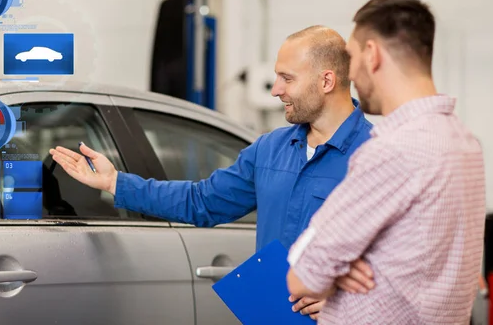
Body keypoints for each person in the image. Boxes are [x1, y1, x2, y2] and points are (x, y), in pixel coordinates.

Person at [50, 25, 373, 320]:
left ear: (326, 81)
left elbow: (409, 257)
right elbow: (201, 201)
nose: (276, 90)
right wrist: (115, 182)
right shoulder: (270, 149)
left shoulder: (376, 156)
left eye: (287, 79)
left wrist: (350, 300)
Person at [286, 0, 486, 324]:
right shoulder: (464, 143)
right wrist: (346, 266)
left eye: (350, 57)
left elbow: (304, 274)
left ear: (372, 54)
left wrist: (334, 268)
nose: (349, 73)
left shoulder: (392, 149)